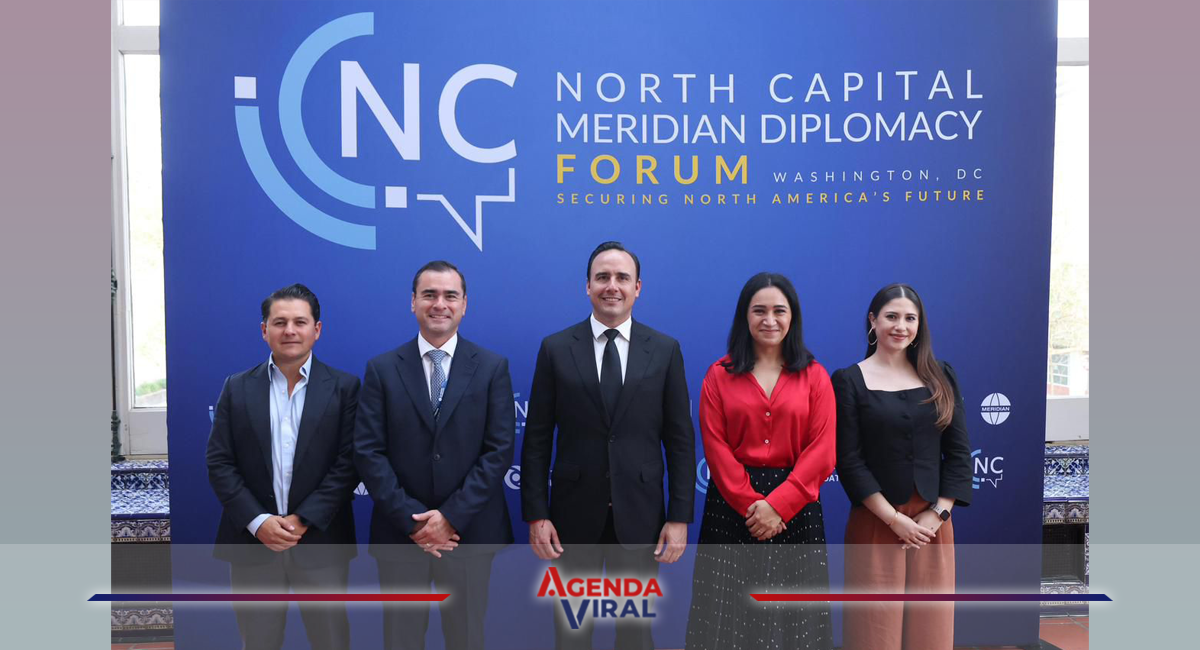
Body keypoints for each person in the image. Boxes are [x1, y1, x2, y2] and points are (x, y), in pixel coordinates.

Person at [521, 241, 696, 650]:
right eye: (602, 277)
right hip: (571, 519)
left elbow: (680, 442)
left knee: (635, 635)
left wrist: (679, 517)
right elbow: (537, 439)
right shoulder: (556, 349)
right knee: (572, 634)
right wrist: (537, 514)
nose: (612, 286)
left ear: (638, 288)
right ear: (587, 286)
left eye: (622, 277)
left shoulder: (665, 350)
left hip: (640, 519)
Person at [354, 260, 515, 650]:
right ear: (413, 302)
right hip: (400, 535)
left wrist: (450, 518)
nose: (439, 304)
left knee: (466, 639)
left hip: (469, 534)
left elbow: (498, 451)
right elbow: (368, 451)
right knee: (401, 640)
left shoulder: (492, 367)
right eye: (429, 295)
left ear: (464, 305)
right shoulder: (382, 369)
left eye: (450, 296)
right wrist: (414, 522)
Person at [206, 283, 361, 650]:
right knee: (258, 642)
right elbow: (220, 461)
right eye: (279, 322)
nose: (290, 330)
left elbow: (350, 463)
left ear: (316, 329)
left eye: (299, 322)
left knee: (331, 641)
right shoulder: (236, 387)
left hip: (321, 540)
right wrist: (259, 522)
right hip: (253, 542)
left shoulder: (345, 388)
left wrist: (302, 519)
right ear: (265, 330)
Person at [685, 272, 835, 650]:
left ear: (792, 316)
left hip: (796, 509)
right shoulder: (718, 375)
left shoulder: (815, 376)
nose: (770, 320)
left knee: (795, 623)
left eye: (779, 311)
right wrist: (753, 505)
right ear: (744, 316)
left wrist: (779, 505)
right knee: (726, 621)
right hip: (733, 509)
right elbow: (716, 447)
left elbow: (823, 450)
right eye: (759, 311)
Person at [832, 283, 973, 650]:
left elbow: (959, 454)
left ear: (919, 324)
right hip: (875, 523)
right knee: (872, 634)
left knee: (931, 634)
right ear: (873, 320)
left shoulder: (941, 374)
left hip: (932, 526)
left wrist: (938, 514)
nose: (901, 326)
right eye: (891, 316)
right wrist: (894, 520)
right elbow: (849, 461)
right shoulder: (849, 380)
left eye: (910, 318)